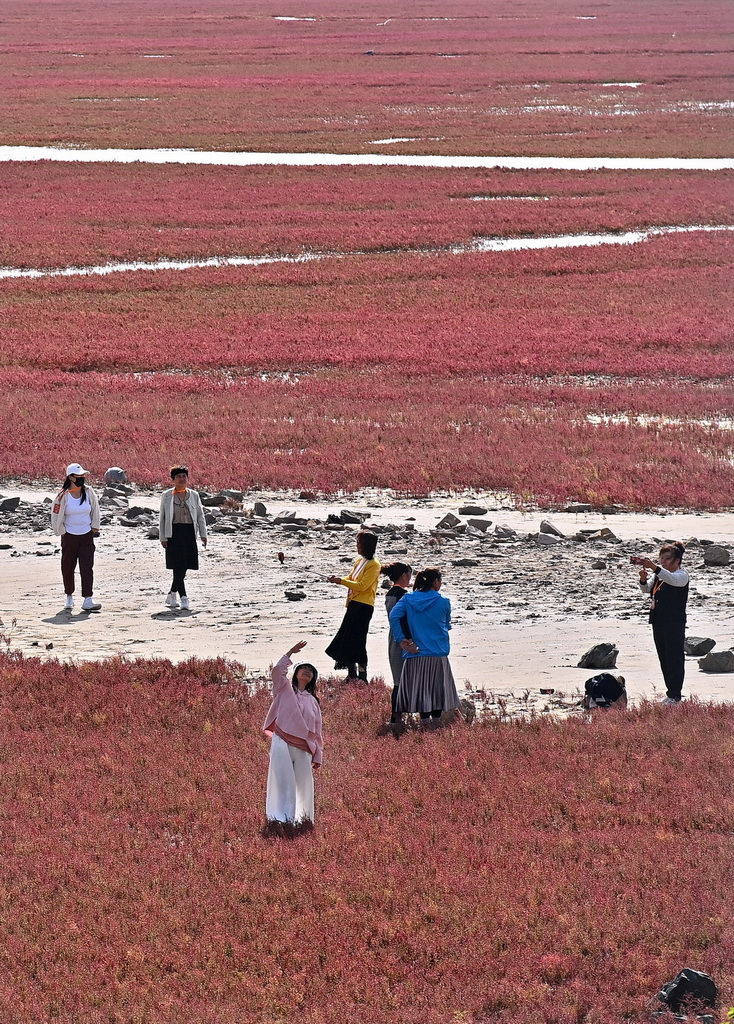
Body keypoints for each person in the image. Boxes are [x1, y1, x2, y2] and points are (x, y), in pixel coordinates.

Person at [389, 567, 461, 723]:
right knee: (436, 692)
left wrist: (402, 639)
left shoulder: (408, 599)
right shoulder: (443, 602)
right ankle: (434, 726)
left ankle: (425, 725)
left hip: (415, 654)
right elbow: (447, 624)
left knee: (422, 692)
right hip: (437, 653)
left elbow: (394, 615)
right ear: (436, 582)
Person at [263, 640, 323, 826]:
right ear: (296, 672)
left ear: (313, 678)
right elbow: (277, 670)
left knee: (304, 784)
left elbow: (317, 729)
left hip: (304, 746)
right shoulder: (284, 689)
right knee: (282, 779)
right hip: (282, 740)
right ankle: (279, 818)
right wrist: (290, 652)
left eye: (310, 670)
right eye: (303, 668)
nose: (307, 671)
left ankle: (302, 819)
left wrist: (318, 754)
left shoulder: (313, 701)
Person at [632, 542, 689, 705]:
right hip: (658, 619)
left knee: (674, 657)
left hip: (674, 621)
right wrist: (643, 579)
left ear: (677, 560)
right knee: (663, 656)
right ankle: (670, 692)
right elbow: (647, 589)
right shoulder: (659, 575)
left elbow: (672, 579)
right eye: (661, 558)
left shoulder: (682, 575)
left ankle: (675, 694)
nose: (663, 561)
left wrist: (654, 567)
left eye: (667, 558)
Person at [325, 530, 380, 681]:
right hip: (353, 604)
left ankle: (362, 675)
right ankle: (351, 673)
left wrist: (341, 582)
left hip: (364, 607)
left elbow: (362, 586)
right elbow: (351, 578)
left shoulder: (374, 565)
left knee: (359, 640)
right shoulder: (359, 562)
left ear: (366, 546)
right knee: (347, 639)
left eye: (359, 543)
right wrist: (337, 579)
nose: (357, 546)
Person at [50, 462, 102, 612]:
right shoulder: (62, 496)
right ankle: (69, 596)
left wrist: (95, 526)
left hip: (86, 535)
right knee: (68, 567)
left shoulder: (89, 492)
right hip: (69, 537)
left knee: (87, 567)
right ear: (71, 477)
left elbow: (95, 509)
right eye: (79, 476)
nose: (82, 478)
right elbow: (55, 514)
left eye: (83, 476)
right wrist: (61, 531)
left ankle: (88, 599)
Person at [158, 466, 207, 610]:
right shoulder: (167, 495)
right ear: (173, 479)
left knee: (185, 566)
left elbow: (200, 515)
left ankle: (172, 593)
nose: (182, 479)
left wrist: (203, 534)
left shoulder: (194, 495)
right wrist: (163, 537)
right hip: (173, 533)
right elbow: (162, 517)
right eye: (178, 476)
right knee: (177, 565)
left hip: (189, 532)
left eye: (184, 476)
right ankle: (184, 597)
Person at [382, 561, 412, 721]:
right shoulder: (402, 595)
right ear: (404, 576)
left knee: (398, 679)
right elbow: (403, 619)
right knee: (401, 681)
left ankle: (397, 716)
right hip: (402, 639)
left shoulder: (390, 593)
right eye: (409, 575)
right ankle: (397, 716)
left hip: (393, 638)